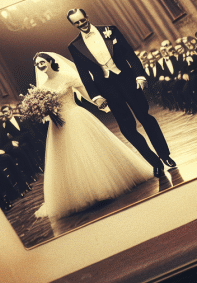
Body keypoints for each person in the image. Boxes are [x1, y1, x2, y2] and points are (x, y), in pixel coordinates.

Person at [31, 52, 153, 219]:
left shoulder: (66, 76)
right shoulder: (42, 88)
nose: (40, 65)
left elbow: (86, 93)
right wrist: (42, 111)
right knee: (69, 159)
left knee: (89, 151)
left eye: (42, 62)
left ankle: (103, 187)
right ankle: (81, 194)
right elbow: (45, 112)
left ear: (50, 61)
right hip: (58, 126)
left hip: (76, 116)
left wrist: (100, 101)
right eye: (37, 64)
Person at [66, 9, 175, 177]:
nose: (81, 24)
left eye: (82, 20)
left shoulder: (111, 30)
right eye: (77, 23)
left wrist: (139, 75)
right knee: (127, 129)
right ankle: (155, 162)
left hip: (127, 80)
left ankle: (165, 155)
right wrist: (96, 96)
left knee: (145, 117)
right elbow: (83, 74)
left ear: (87, 16)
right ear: (73, 24)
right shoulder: (74, 46)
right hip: (106, 88)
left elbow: (130, 55)